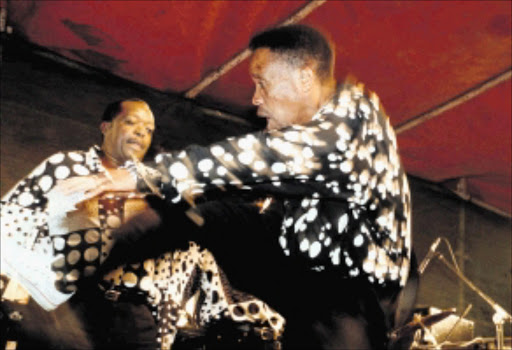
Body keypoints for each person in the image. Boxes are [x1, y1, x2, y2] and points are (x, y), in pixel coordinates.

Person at [97, 25, 414, 349]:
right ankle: (89, 256)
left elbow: (245, 160)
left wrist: (135, 177)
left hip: (351, 299)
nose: (255, 99)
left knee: (327, 329)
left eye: (262, 84)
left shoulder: (351, 122)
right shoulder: (316, 136)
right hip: (297, 258)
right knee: (205, 214)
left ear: (304, 79)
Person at [1, 98, 284, 349]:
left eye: (148, 129)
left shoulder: (156, 180)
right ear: (105, 127)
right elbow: (11, 216)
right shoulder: (66, 165)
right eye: (131, 122)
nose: (141, 132)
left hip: (137, 307)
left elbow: (183, 233)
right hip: (72, 301)